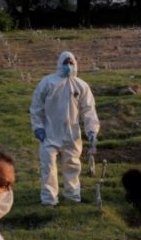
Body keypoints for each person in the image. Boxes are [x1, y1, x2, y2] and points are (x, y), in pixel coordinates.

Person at [30, 51, 100, 206]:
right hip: (49, 134)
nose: (68, 66)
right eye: (65, 63)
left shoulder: (81, 86)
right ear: (59, 64)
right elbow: (37, 107)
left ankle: (73, 197)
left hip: (71, 135)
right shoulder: (48, 83)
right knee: (48, 168)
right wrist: (38, 127)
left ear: (75, 64)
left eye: (71, 63)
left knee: (72, 167)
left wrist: (91, 130)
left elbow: (88, 110)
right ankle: (49, 200)